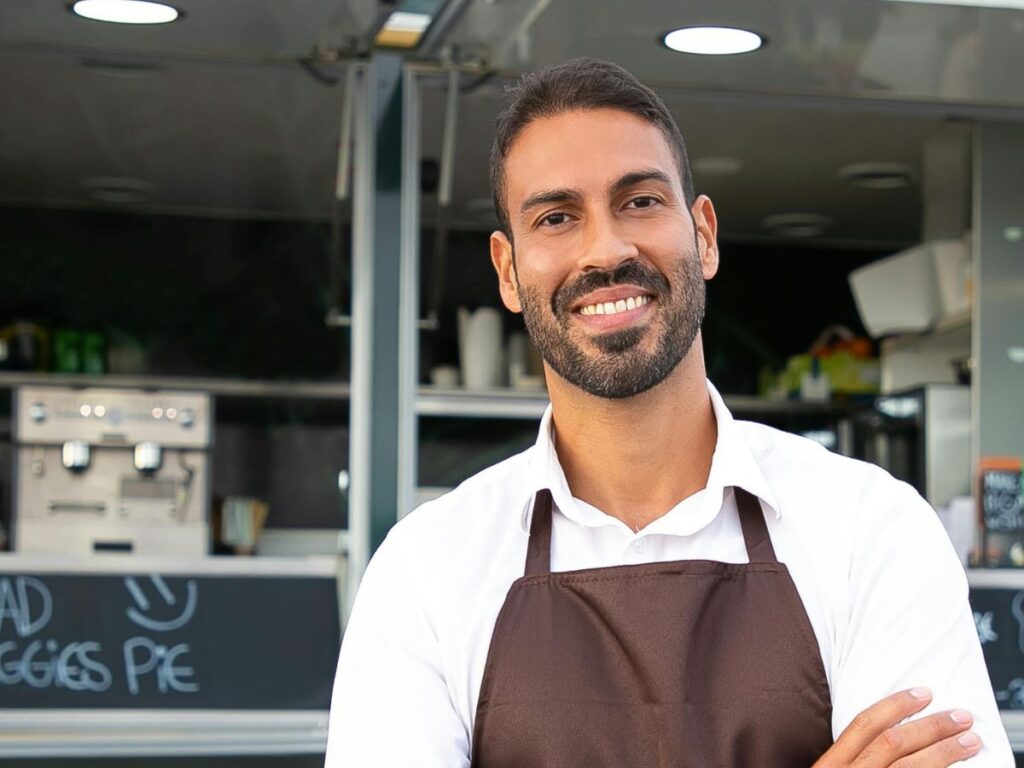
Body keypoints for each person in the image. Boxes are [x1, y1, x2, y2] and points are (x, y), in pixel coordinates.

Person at [325, 58, 1012, 766]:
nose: (607, 249)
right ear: (507, 269)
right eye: (557, 218)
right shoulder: (426, 571)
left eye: (640, 202)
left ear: (704, 234)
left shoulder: (872, 530)